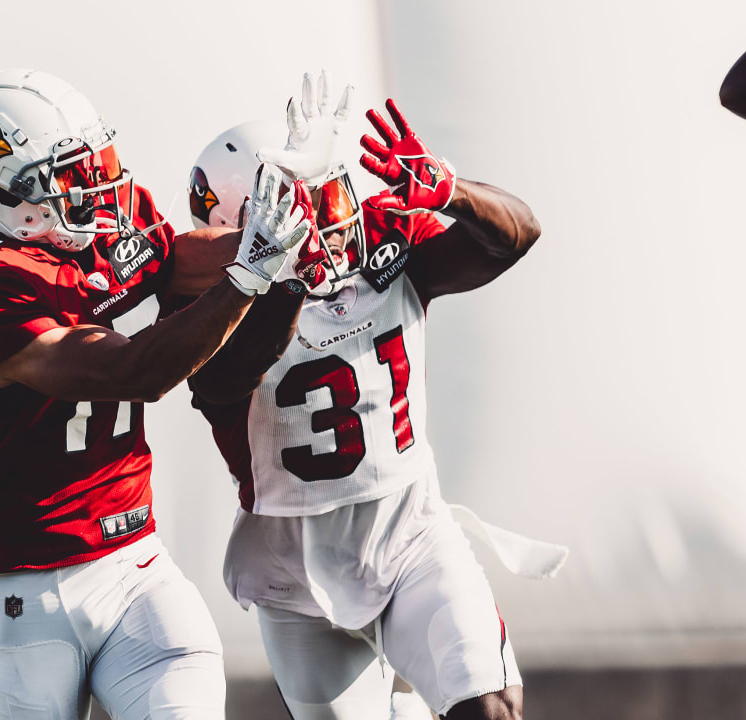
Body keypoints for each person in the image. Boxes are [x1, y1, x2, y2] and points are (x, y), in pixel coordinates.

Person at [0, 68, 318, 720]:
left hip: (135, 563)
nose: (95, 185)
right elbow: (128, 373)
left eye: (90, 162)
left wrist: (288, 237)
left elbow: (177, 258)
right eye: (65, 174)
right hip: (28, 592)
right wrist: (250, 275)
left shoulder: (108, 219)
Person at [183, 73, 546, 720]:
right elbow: (219, 381)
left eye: (327, 199)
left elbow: (517, 235)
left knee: (489, 708)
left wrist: (452, 193)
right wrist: (281, 283)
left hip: (411, 537)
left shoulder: (383, 238)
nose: (326, 226)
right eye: (299, 210)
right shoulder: (210, 306)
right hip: (293, 577)